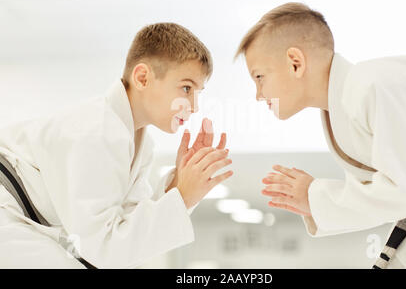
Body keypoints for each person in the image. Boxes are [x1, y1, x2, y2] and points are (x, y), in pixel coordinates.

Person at [0, 23, 233, 268]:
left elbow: (128, 224)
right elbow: (104, 249)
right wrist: (183, 196)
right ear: (143, 78)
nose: (194, 105)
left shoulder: (139, 142)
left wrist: (179, 185)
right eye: (186, 88)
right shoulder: (96, 130)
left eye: (198, 92)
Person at [234, 2, 406, 268]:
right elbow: (387, 199)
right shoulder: (343, 104)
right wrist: (313, 202)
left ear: (295, 63)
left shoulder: (371, 85)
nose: (258, 94)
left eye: (259, 77)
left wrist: (314, 196)